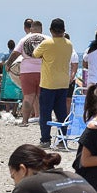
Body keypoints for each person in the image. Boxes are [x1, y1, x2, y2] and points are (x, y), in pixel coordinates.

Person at [31, 19, 74, 149]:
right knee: (61, 113)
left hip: (49, 83)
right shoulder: (69, 44)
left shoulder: (47, 43)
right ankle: (62, 140)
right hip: (63, 82)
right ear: (64, 30)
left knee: (45, 113)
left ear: (51, 30)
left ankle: (45, 140)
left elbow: (35, 54)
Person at [4, 20, 44, 127]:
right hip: (43, 71)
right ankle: (41, 119)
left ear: (31, 29)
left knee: (28, 97)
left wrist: (8, 65)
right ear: (41, 29)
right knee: (41, 97)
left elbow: (15, 53)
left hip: (27, 71)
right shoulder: (47, 39)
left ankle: (25, 121)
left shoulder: (24, 39)